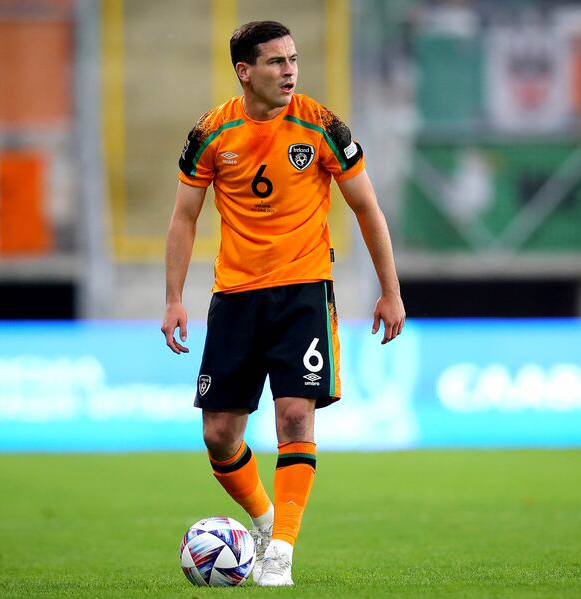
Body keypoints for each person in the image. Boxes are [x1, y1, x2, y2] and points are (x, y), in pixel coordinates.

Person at [161, 20, 406, 587]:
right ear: (244, 71)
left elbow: (368, 209)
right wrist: (174, 298)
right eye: (275, 62)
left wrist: (390, 291)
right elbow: (184, 217)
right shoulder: (210, 132)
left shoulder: (321, 125)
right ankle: (266, 521)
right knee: (219, 434)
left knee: (295, 416)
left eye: (293, 59)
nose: (289, 70)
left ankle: (282, 554)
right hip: (236, 298)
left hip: (303, 291)